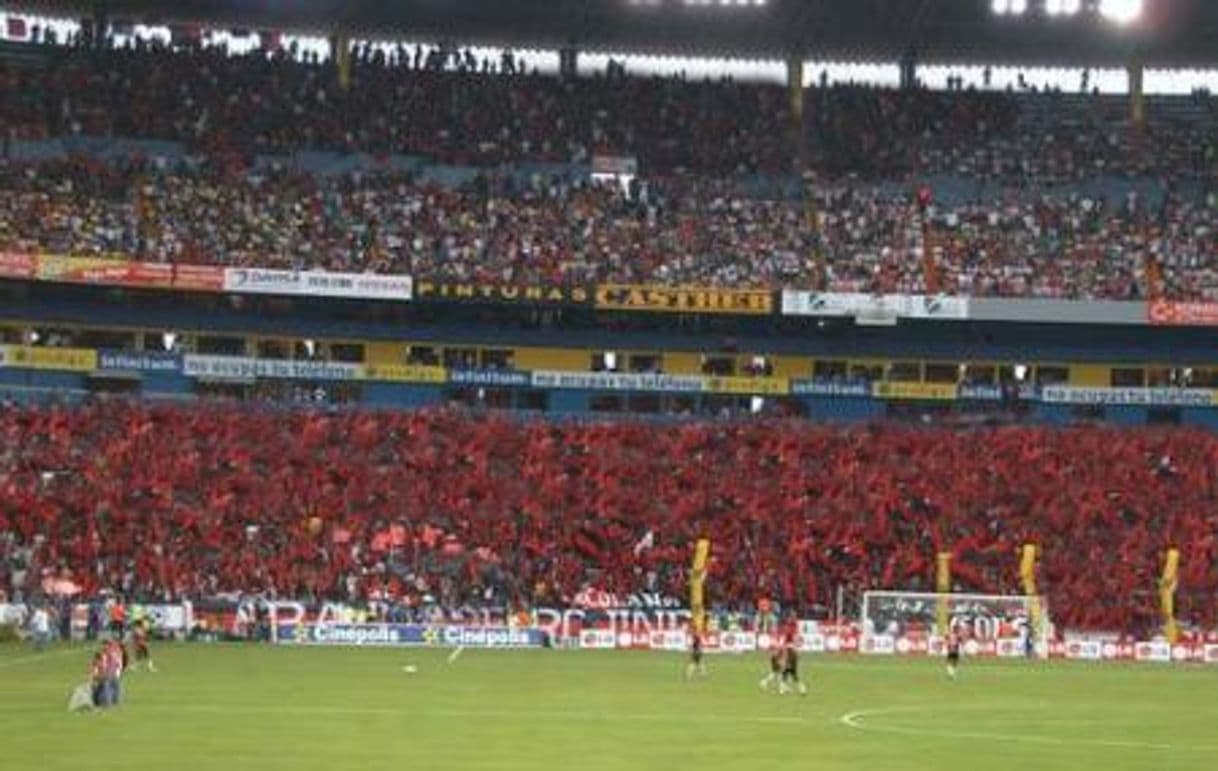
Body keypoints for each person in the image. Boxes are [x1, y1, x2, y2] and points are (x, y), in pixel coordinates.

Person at [777, 617, 807, 696]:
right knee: (791, 672)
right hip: (794, 654)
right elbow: (800, 642)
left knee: (786, 672)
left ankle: (783, 689)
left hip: (789, 653)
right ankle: (801, 689)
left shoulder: (788, 632)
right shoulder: (795, 632)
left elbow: (784, 644)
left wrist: (783, 656)